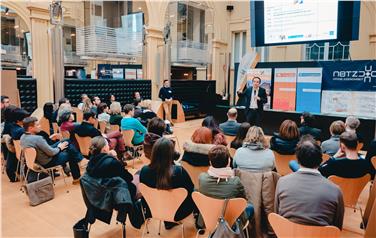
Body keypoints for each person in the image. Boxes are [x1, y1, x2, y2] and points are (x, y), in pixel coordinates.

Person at [275, 138, 344, 229]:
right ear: (321, 160)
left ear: (298, 159)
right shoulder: (335, 190)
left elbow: (277, 214)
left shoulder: (282, 182)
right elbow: (337, 226)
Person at [139, 137, 195, 229]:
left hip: (154, 210)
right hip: (179, 213)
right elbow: (191, 191)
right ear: (171, 154)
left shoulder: (144, 171)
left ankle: (168, 222)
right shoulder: (179, 171)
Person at [20, 117, 83, 183]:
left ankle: (79, 158)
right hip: (48, 161)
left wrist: (52, 140)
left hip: (39, 160)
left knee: (66, 140)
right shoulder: (38, 138)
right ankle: (77, 177)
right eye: (37, 125)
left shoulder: (22, 137)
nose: (40, 126)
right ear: (30, 128)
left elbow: (42, 147)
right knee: (71, 153)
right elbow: (52, 152)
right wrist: (59, 148)